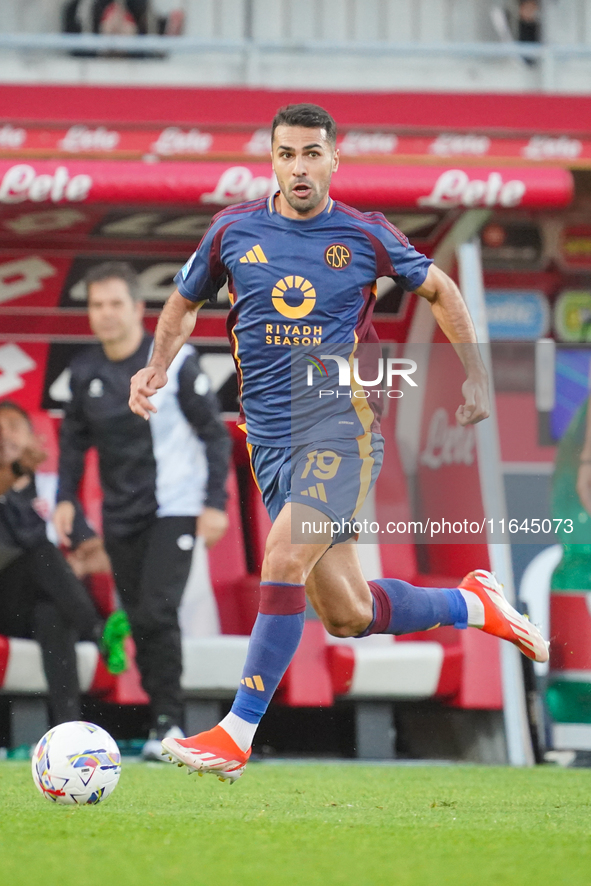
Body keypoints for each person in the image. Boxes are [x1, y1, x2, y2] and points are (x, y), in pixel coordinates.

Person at [129, 103, 550, 782]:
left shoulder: (365, 234)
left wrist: (473, 375)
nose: (299, 167)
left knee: (282, 552)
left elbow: (439, 291)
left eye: (311, 154)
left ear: (332, 159)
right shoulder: (233, 230)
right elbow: (183, 302)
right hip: (267, 439)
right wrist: (154, 366)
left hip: (339, 422)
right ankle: (474, 603)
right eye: (286, 154)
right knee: (347, 613)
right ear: (270, 159)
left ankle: (236, 734)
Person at [54, 261, 231, 760]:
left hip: (175, 508)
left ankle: (170, 722)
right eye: (96, 305)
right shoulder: (85, 372)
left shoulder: (176, 362)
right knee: (138, 616)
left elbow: (215, 437)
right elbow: (72, 444)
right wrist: (67, 498)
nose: (106, 315)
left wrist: (214, 505)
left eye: (115, 304)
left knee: (157, 610)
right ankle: (160, 723)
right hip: (120, 516)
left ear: (137, 309)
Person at [0, 401, 129, 727]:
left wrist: (81, 566)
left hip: (35, 605)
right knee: (41, 551)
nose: (5, 436)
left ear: (34, 438)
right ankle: (96, 630)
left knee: (53, 613)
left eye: (13, 427)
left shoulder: (53, 490)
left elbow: (98, 556)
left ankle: (68, 730)